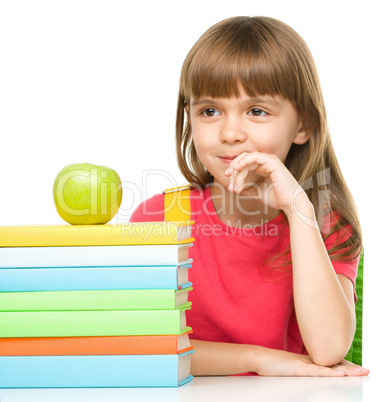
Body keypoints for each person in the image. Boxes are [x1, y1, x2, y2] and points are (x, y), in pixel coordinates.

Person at [130, 16, 369, 377]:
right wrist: (258, 359)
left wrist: (298, 208)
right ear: (189, 118)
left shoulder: (323, 222)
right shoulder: (158, 219)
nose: (229, 132)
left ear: (302, 125)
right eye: (210, 111)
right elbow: (145, 345)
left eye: (256, 111)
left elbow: (329, 348)